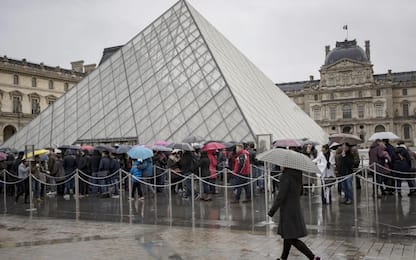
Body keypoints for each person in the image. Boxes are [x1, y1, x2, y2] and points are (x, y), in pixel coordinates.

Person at [268, 167, 320, 260]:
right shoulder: (298, 174)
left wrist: (272, 210)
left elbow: (281, 196)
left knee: (291, 238)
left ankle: (313, 257)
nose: (280, 166)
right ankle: (283, 258)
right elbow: (301, 191)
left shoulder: (285, 176)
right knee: (288, 236)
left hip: (287, 210)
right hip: (295, 208)